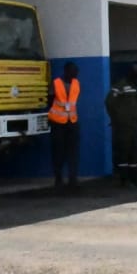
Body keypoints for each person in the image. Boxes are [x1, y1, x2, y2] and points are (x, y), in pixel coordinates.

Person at [106, 64, 137, 187]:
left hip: (136, 125)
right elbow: (109, 102)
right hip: (124, 126)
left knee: (135, 151)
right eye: (136, 73)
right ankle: (124, 179)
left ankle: (134, 178)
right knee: (124, 151)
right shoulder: (121, 86)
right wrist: (116, 118)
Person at [48, 61, 81, 191]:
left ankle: (73, 179)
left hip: (72, 122)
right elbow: (50, 101)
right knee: (58, 152)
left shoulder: (76, 83)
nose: (76, 74)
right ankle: (58, 178)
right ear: (67, 71)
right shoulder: (56, 83)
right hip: (57, 123)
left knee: (73, 152)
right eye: (74, 71)